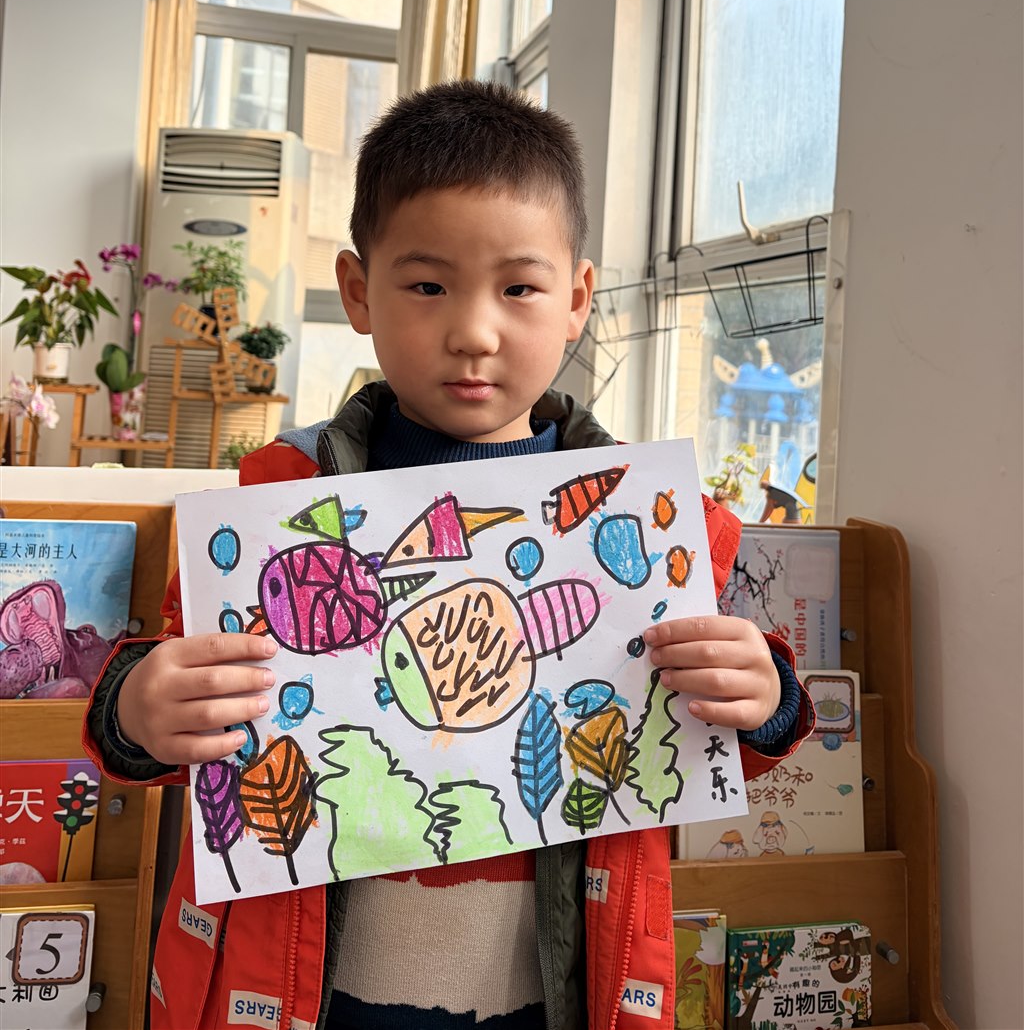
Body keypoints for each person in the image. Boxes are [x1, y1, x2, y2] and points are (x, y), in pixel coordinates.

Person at [84, 80, 813, 1030]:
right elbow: (163, 690)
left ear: (577, 299)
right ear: (359, 291)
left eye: (519, 288)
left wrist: (764, 697)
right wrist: (141, 708)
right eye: (428, 286)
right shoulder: (279, 503)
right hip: (304, 990)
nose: (473, 331)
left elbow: (702, 736)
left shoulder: (650, 524)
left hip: (556, 996)